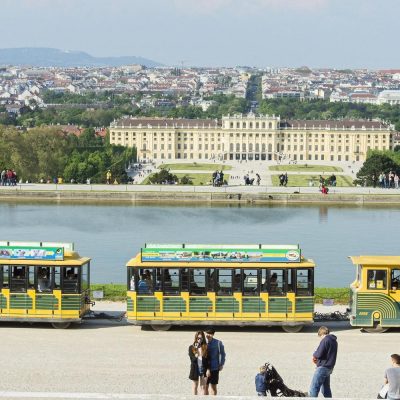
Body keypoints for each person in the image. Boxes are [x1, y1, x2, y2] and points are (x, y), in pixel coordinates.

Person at [309, 326, 338, 398]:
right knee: (326, 388)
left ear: (321, 334)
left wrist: (314, 353)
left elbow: (319, 354)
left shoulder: (325, 340)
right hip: (329, 367)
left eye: (320, 336)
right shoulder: (334, 341)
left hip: (322, 367)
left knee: (314, 388)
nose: (320, 338)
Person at [204, 327, 226, 396]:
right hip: (204, 367)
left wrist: (222, 364)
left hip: (214, 367)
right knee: (205, 386)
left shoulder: (218, 343)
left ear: (213, 335)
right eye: (207, 333)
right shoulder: (202, 343)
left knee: (213, 387)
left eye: (210, 334)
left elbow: (223, 354)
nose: (208, 335)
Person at [188, 331, 210, 395]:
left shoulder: (206, 347)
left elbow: (208, 360)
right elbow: (192, 360)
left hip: (203, 368)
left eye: (201, 338)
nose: (199, 340)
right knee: (195, 386)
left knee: (203, 387)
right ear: (196, 338)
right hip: (195, 368)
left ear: (203, 338)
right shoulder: (191, 347)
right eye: (198, 338)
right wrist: (196, 355)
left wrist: (208, 369)